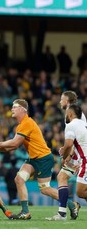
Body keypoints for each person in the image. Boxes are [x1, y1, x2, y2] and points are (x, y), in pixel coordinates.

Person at [0, 99, 59, 220]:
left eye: (15, 107)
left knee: (45, 189)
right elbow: (14, 146)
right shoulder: (22, 125)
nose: (12, 109)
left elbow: (14, 143)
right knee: (19, 179)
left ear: (23, 110)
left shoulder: (27, 123)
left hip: (43, 158)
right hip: (34, 159)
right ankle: (25, 212)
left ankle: (72, 204)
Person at [46, 92, 83, 220]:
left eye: (62, 99)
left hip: (80, 156)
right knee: (62, 177)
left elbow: (75, 140)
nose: (60, 101)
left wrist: (67, 155)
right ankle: (64, 211)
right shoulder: (75, 114)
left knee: (80, 190)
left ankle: (66, 210)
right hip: (78, 153)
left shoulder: (73, 117)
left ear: (67, 101)